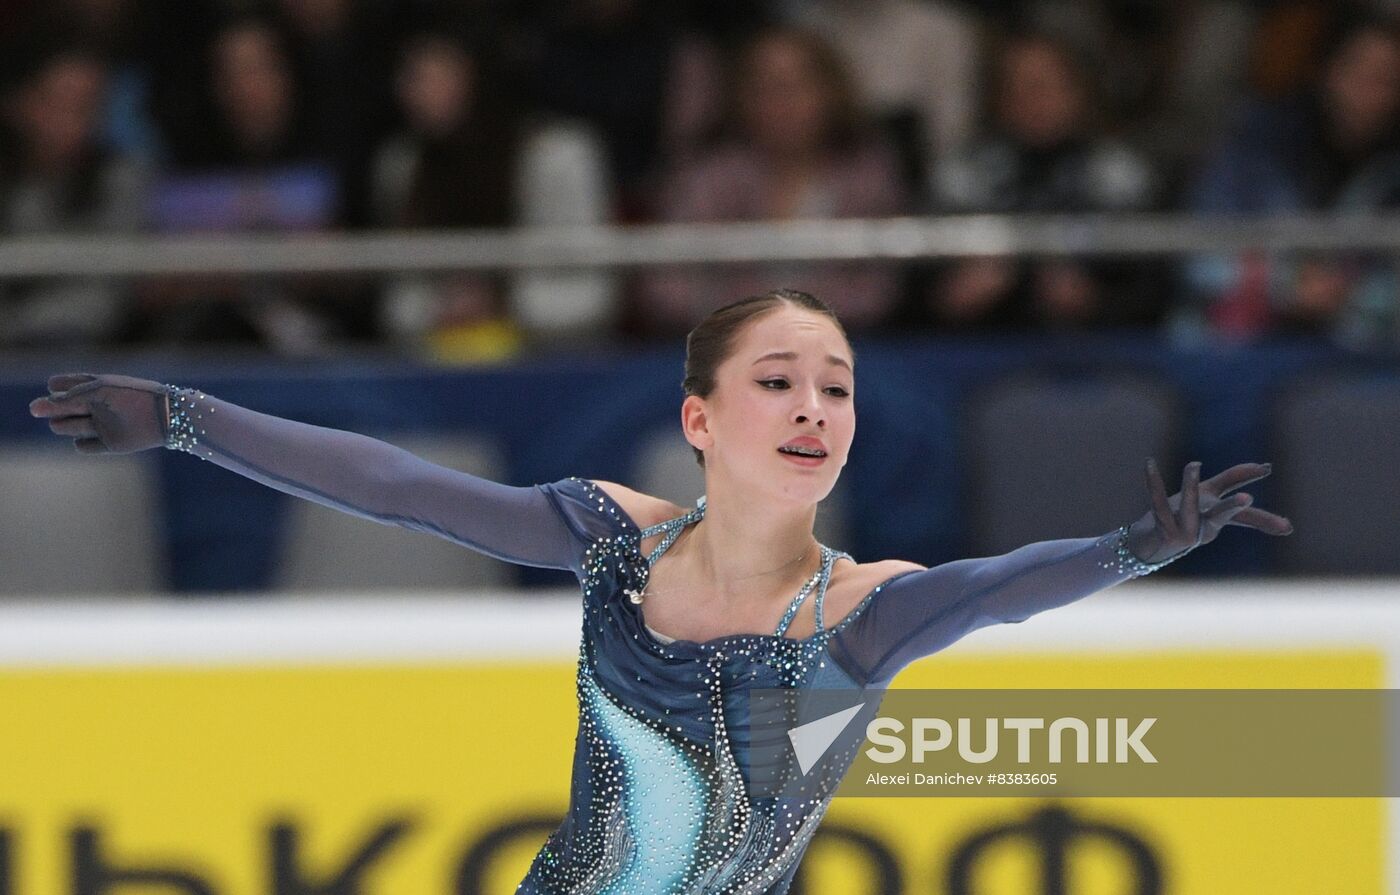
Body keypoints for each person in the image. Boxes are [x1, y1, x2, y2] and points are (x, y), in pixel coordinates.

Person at [27, 288, 1292, 893]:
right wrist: (188, 417)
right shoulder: (613, 541)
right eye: (779, 380)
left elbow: (1001, 588)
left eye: (837, 385)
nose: (814, 406)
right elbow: (395, 484)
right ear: (697, 415)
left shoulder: (864, 608)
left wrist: (1123, 551)